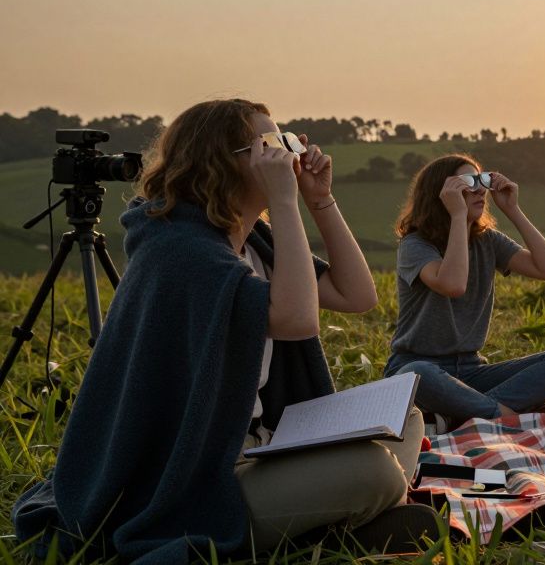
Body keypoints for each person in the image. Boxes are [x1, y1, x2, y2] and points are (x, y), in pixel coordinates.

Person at [13, 99, 433, 561]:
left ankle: (336, 520)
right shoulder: (179, 248)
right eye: (272, 144)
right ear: (222, 160)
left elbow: (357, 296)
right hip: (203, 473)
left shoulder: (251, 240)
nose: (289, 156)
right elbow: (297, 320)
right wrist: (286, 202)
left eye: (288, 142)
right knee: (375, 470)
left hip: (261, 440)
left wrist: (319, 200)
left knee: (409, 416)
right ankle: (334, 524)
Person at [385, 154, 545, 431]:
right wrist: (458, 217)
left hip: (470, 370)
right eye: (469, 182)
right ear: (441, 193)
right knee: (417, 375)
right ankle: (507, 417)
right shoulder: (415, 245)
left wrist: (513, 210)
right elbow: (453, 285)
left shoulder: (487, 240)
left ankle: (465, 414)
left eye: (482, 179)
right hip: (417, 366)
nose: (480, 189)